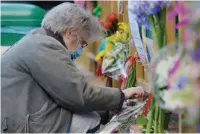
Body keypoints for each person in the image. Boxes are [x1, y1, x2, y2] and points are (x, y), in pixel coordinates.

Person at [1, 3, 144, 133]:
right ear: (70, 33)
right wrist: (122, 95)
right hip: (26, 125)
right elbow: (78, 95)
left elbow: (68, 94)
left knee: (92, 116)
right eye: (83, 43)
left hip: (24, 120)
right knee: (88, 122)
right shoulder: (43, 46)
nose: (81, 49)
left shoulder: (39, 40)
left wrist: (109, 108)